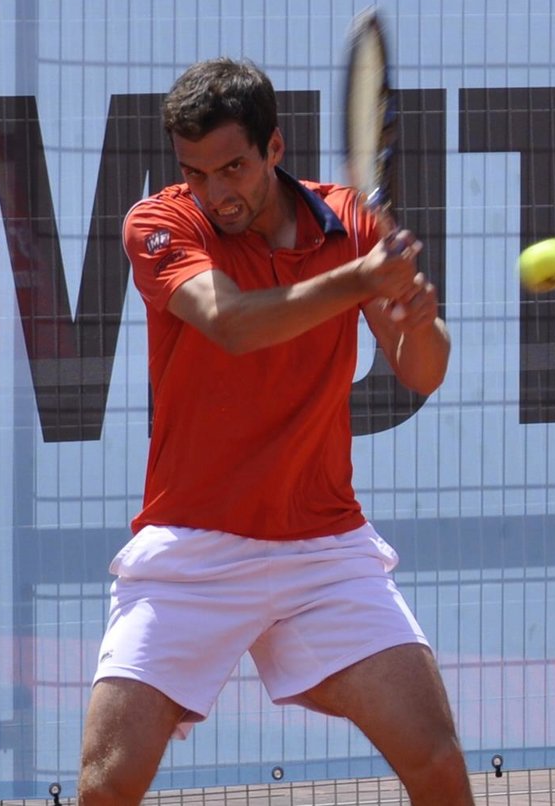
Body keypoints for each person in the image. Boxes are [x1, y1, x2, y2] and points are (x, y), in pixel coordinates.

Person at [77, 57, 473, 805]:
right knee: (107, 782)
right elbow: (229, 322)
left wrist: (417, 319)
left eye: (233, 167)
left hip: (323, 547)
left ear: (274, 149)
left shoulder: (349, 222)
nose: (216, 192)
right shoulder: (160, 222)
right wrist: (362, 279)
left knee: (437, 761)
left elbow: (423, 370)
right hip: (194, 543)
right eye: (196, 172)